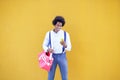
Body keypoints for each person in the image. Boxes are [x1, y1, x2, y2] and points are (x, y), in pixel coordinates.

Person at [42, 16, 72, 80]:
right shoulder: (49, 34)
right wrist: (48, 49)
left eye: (61, 26)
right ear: (54, 24)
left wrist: (65, 45)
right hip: (52, 57)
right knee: (50, 76)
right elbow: (44, 45)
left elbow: (69, 48)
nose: (59, 27)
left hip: (62, 56)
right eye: (58, 25)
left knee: (64, 77)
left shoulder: (66, 34)